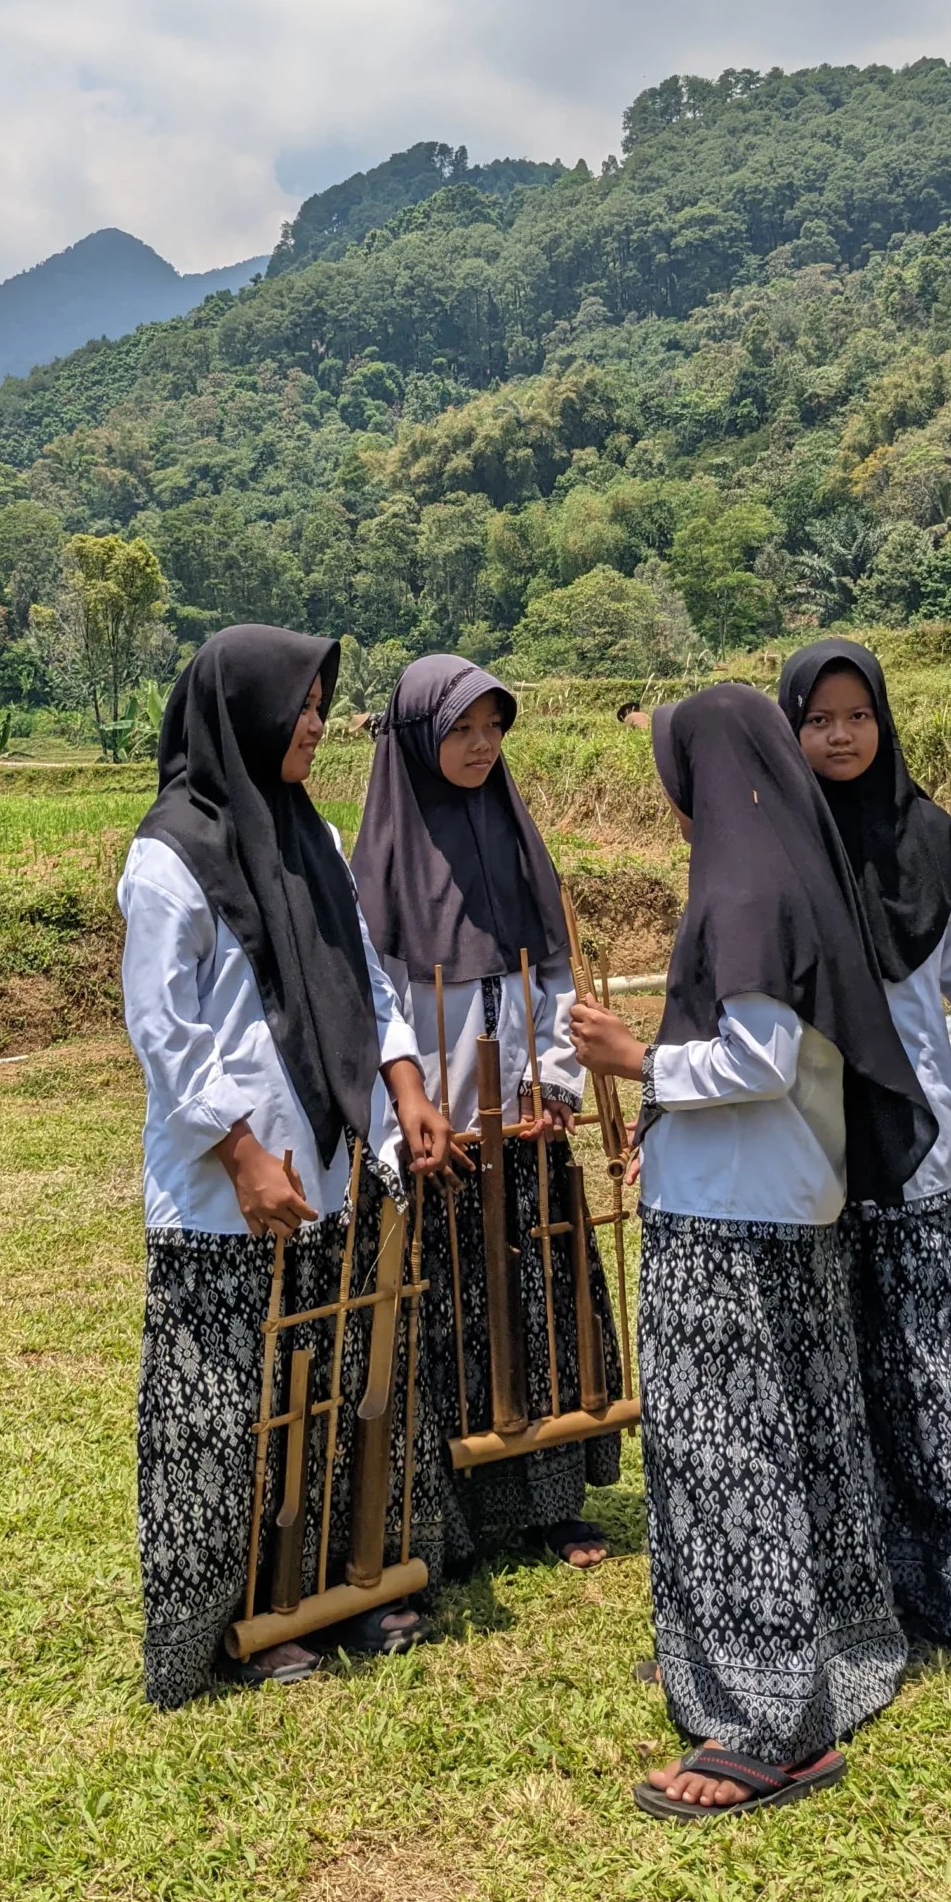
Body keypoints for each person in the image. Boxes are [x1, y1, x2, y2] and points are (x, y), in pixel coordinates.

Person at [571, 683, 936, 1821]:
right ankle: (813, 1654)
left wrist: (638, 1063)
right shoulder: (796, 862)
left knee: (730, 1458)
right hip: (789, 1198)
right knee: (804, 1436)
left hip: (731, 1218)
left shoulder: (739, 883)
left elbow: (758, 1057)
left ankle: (765, 1723)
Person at [118, 625, 453, 1710]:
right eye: (300, 706)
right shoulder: (171, 852)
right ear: (246, 716)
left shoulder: (314, 839)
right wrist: (243, 1150)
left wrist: (404, 1085)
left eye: (321, 704)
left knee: (325, 1389)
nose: (315, 722)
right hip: (229, 1189)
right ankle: (229, 1620)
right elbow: (164, 1027)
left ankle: (323, 1587)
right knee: (233, 1407)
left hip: (321, 1166)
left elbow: (367, 978)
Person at [779, 639, 951, 1652]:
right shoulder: (783, 848)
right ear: (790, 727)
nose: (840, 735)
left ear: (882, 719)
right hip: (825, 1147)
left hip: (930, 1148)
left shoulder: (930, 840)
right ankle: (870, 1570)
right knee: (850, 1374)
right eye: (818, 718)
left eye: (857, 715)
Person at [352, 653, 622, 1572]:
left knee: (541, 1302)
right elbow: (374, 998)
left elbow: (549, 971)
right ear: (418, 740)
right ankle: (459, 1519)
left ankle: (551, 1504)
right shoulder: (378, 859)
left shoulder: (513, 834)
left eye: (493, 729)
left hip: (527, 1123)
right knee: (445, 1313)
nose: (479, 747)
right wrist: (411, 1105)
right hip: (441, 1135)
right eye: (460, 730)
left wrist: (554, 1079)